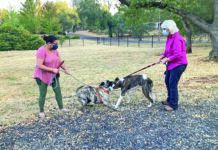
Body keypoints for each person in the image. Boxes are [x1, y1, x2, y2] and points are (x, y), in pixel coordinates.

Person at [33, 35, 70, 118]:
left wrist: (66, 69)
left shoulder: (55, 50)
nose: (57, 45)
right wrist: (52, 69)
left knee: (58, 91)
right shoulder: (41, 51)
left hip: (54, 75)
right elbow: (39, 65)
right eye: (55, 43)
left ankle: (61, 108)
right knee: (43, 93)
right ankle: (41, 111)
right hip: (42, 75)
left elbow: (60, 61)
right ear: (49, 43)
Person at [158, 20, 188, 111]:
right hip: (172, 64)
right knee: (167, 81)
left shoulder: (177, 38)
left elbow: (177, 54)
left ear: (170, 28)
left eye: (164, 29)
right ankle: (169, 100)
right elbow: (167, 50)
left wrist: (167, 59)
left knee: (172, 84)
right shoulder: (169, 37)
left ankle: (173, 105)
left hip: (179, 64)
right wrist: (162, 56)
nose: (163, 31)